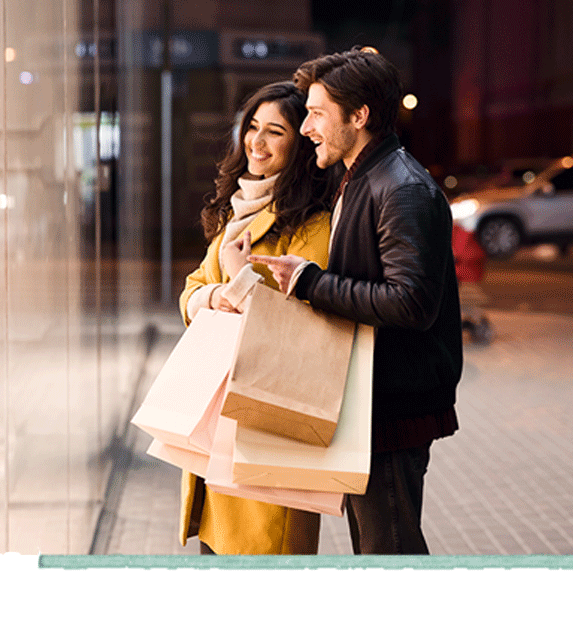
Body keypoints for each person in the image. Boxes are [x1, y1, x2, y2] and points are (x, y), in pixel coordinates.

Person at [250, 48, 463, 555]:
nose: (306, 128)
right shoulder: (365, 175)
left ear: (359, 116)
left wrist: (310, 283)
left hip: (395, 405)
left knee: (388, 551)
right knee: (378, 548)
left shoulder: (402, 187)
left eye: (317, 113)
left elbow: (411, 302)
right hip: (376, 401)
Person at [178, 81, 334, 554]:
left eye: (275, 132)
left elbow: (306, 322)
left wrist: (240, 280)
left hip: (268, 416)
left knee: (265, 561)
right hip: (216, 410)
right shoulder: (238, 212)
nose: (257, 142)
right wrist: (216, 296)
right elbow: (192, 288)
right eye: (252, 127)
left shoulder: (312, 224)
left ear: (300, 145)